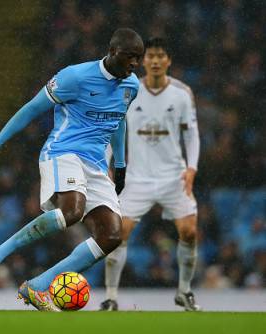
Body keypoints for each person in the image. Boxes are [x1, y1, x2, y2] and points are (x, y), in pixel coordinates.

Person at [0, 28, 144, 311]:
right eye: (130, 57)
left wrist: (121, 166)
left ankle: (38, 286)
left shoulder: (131, 86)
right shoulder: (73, 77)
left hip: (97, 164)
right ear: (113, 52)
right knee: (72, 212)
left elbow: (118, 120)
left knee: (111, 235)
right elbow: (31, 108)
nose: (135, 64)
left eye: (139, 58)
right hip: (63, 152)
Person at [100, 37, 201, 311]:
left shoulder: (181, 93)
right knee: (118, 234)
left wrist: (191, 169)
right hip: (137, 177)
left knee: (189, 232)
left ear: (168, 61)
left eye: (160, 56)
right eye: (150, 56)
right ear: (143, 61)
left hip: (174, 176)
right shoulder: (128, 90)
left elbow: (191, 136)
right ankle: (110, 297)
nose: (155, 61)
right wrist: (107, 165)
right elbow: (112, 131)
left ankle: (184, 291)